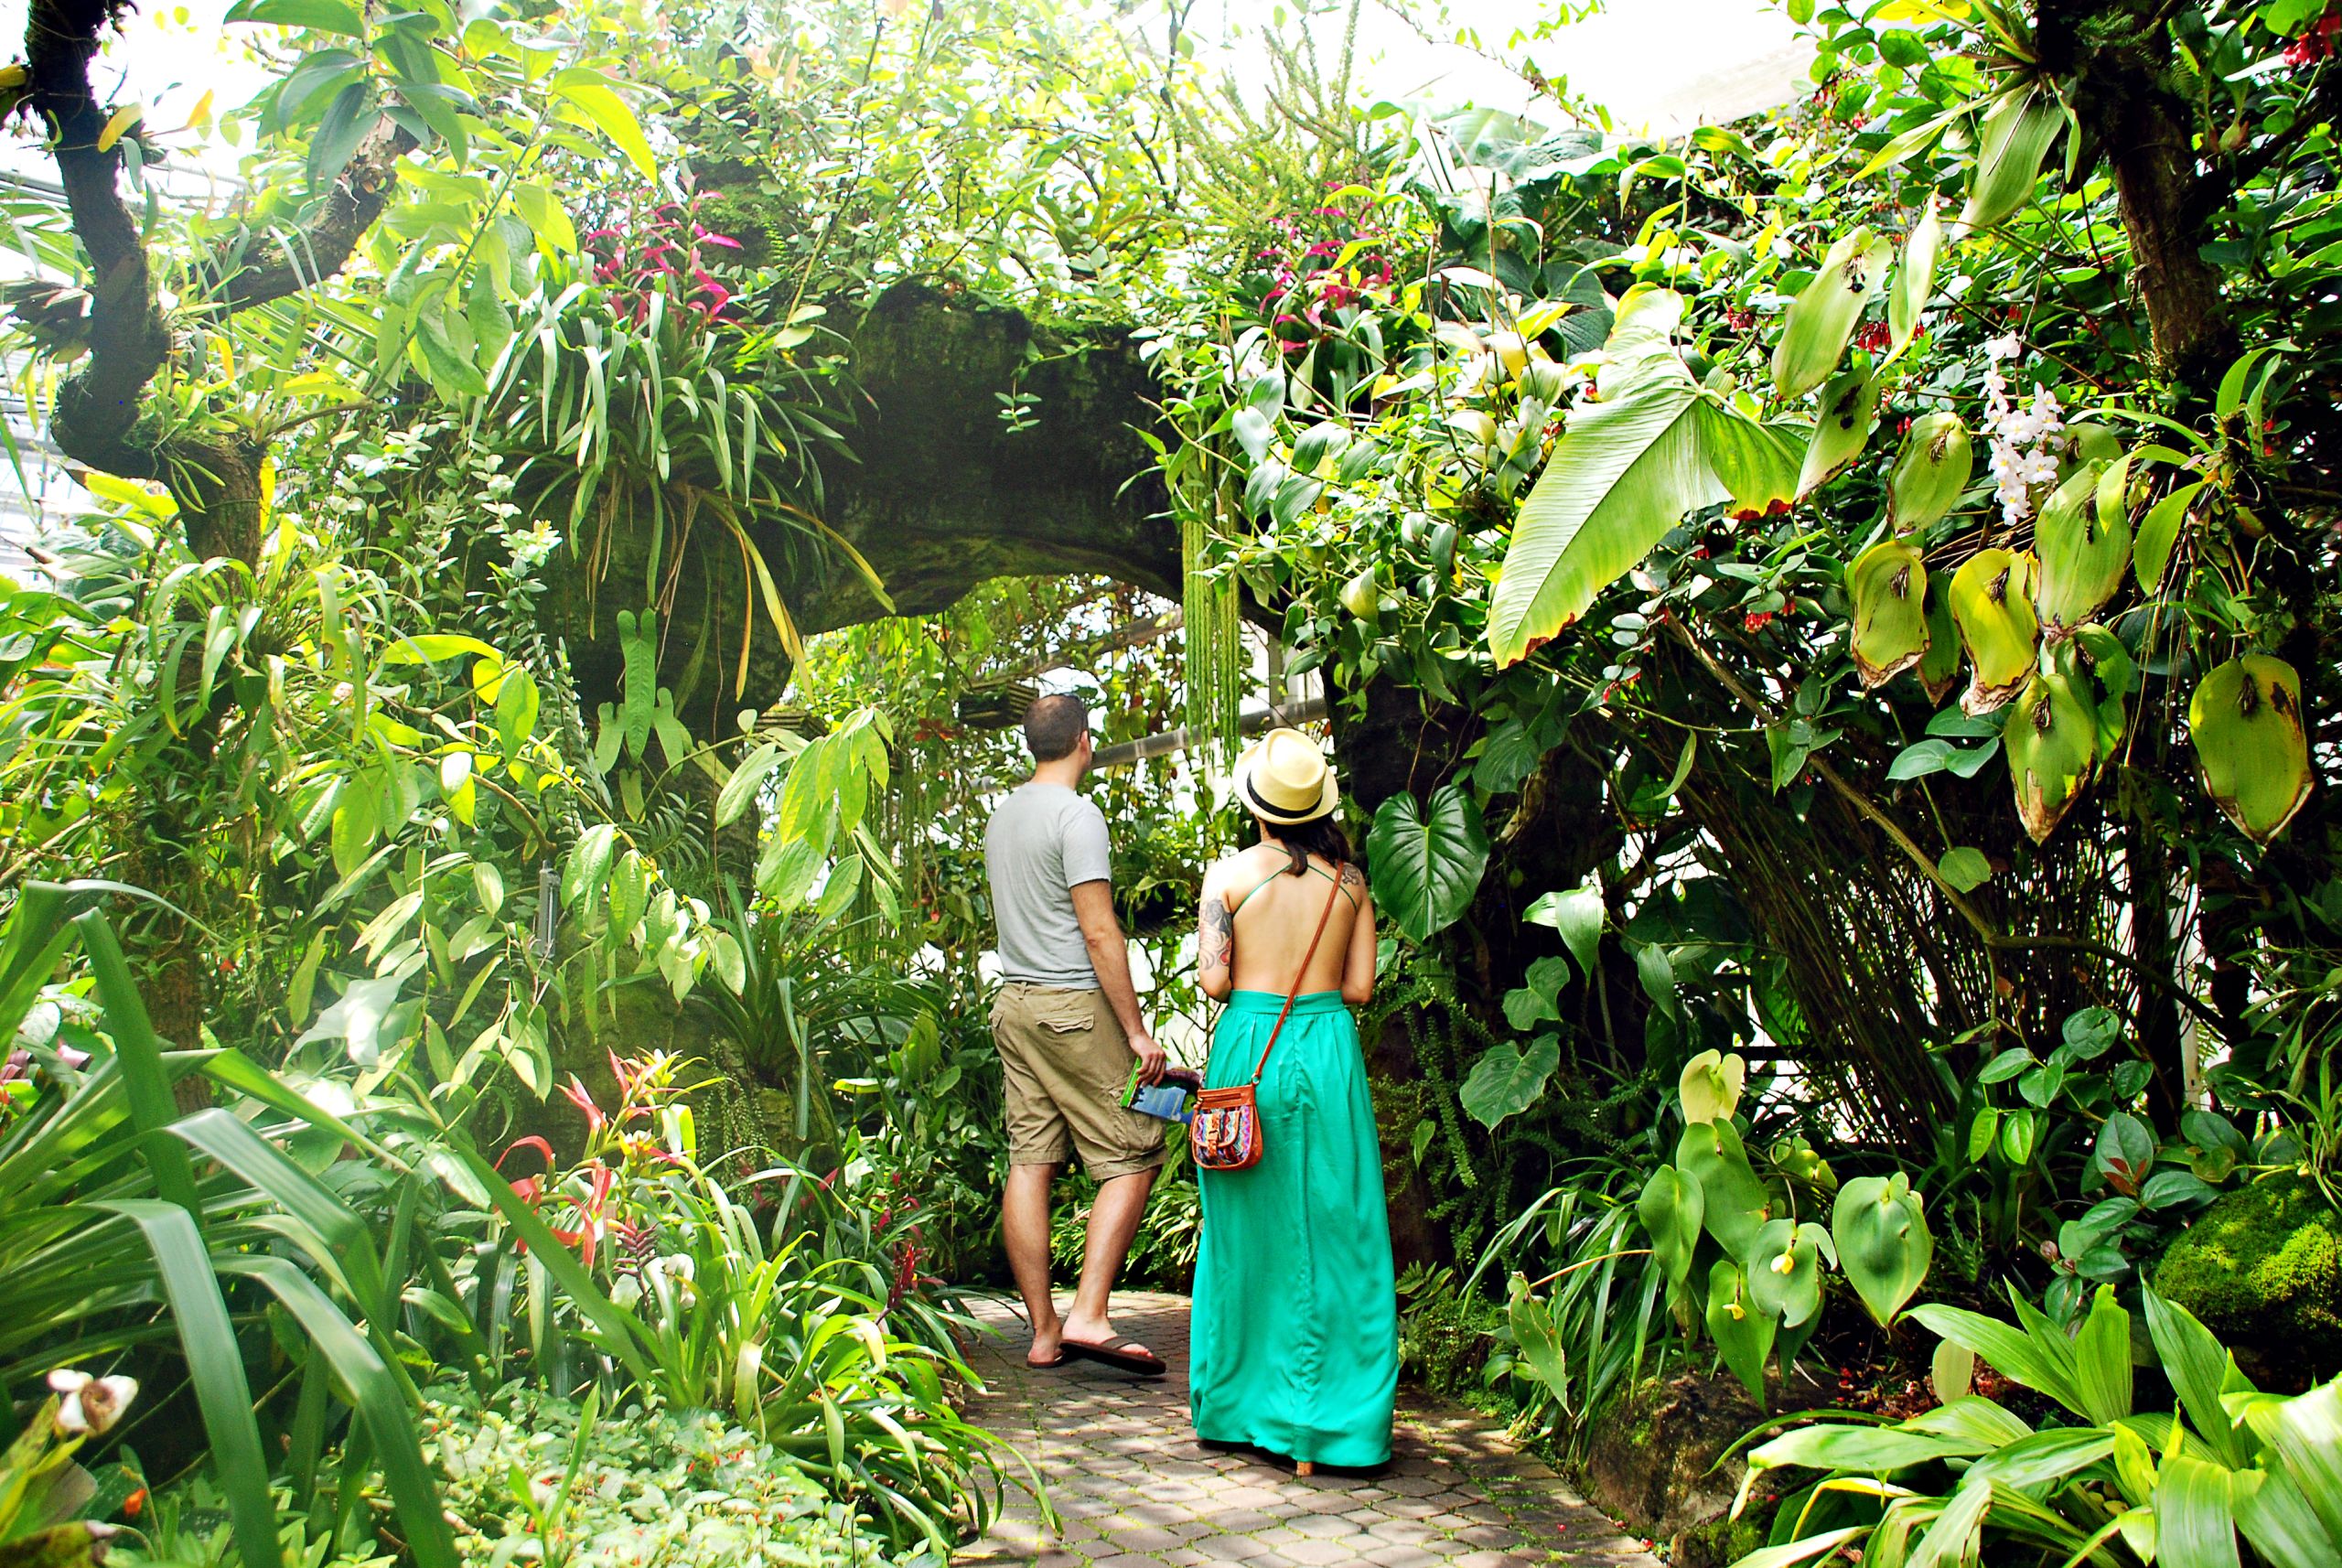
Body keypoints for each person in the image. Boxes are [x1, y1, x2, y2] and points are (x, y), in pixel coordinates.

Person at [1187, 727, 1396, 1475]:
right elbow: (1362, 989)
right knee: (1341, 1229)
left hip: (1253, 1044)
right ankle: (1339, 1423)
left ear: (1258, 807)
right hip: (1328, 1045)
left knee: (1247, 1229)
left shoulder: (1228, 877)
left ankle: (1245, 1411)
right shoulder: (1352, 883)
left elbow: (1214, 982)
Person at [983, 693, 1172, 1376]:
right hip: (1071, 1006)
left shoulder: (1002, 817)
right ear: (1084, 742)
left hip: (1015, 1005)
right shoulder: (1077, 815)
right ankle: (1090, 1313)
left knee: (1030, 1161)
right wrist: (1137, 1032)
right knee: (1136, 1152)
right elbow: (1098, 930)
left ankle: (1044, 1333)